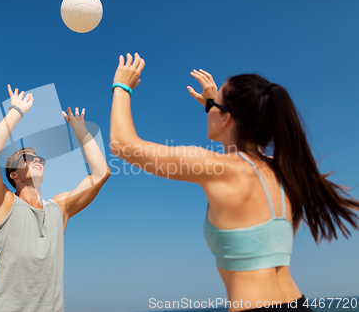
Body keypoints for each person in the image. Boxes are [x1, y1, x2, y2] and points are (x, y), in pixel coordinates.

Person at [109, 53, 359, 311]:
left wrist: (122, 85)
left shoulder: (219, 169)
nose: (208, 109)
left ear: (227, 118)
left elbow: (123, 145)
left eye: (213, 105)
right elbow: (241, 159)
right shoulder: (283, 169)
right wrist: (215, 105)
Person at [0, 85, 110, 312]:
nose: (36, 158)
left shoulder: (58, 210)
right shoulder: (3, 203)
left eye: (38, 157)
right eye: (26, 157)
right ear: (13, 175)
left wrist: (80, 130)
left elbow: (100, 174)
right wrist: (16, 110)